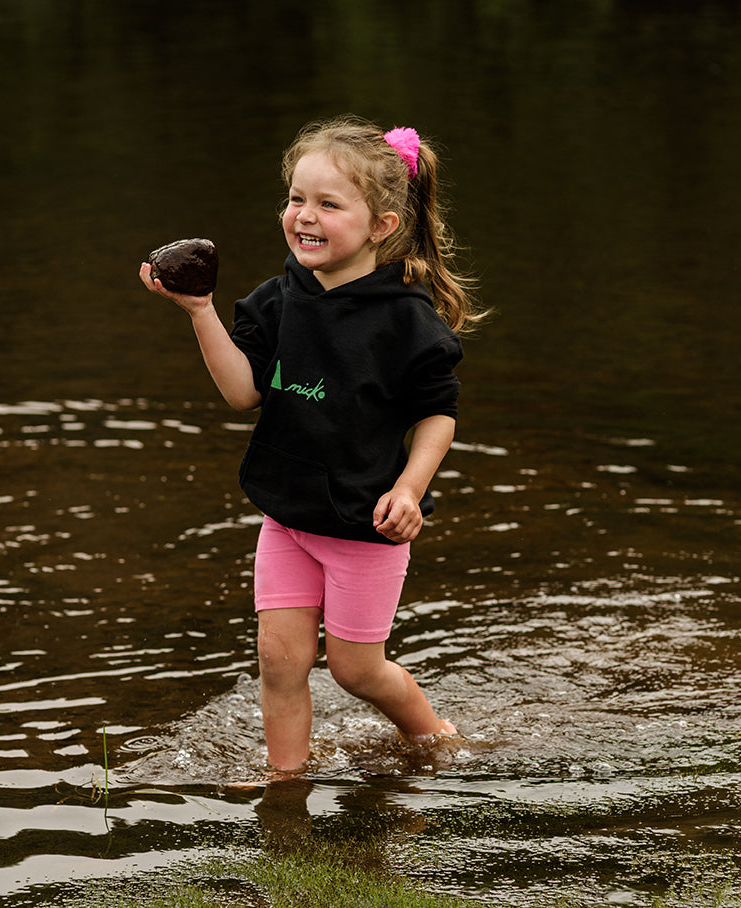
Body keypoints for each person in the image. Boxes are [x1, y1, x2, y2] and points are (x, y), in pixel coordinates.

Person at [140, 116, 486, 774]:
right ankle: (285, 782)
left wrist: (409, 489)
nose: (305, 215)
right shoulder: (278, 300)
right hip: (288, 513)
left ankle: (434, 737)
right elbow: (244, 393)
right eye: (297, 198)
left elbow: (438, 414)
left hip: (365, 523)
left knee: (358, 670)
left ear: (382, 225)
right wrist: (200, 312)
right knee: (279, 657)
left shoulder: (404, 319)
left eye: (328, 203)